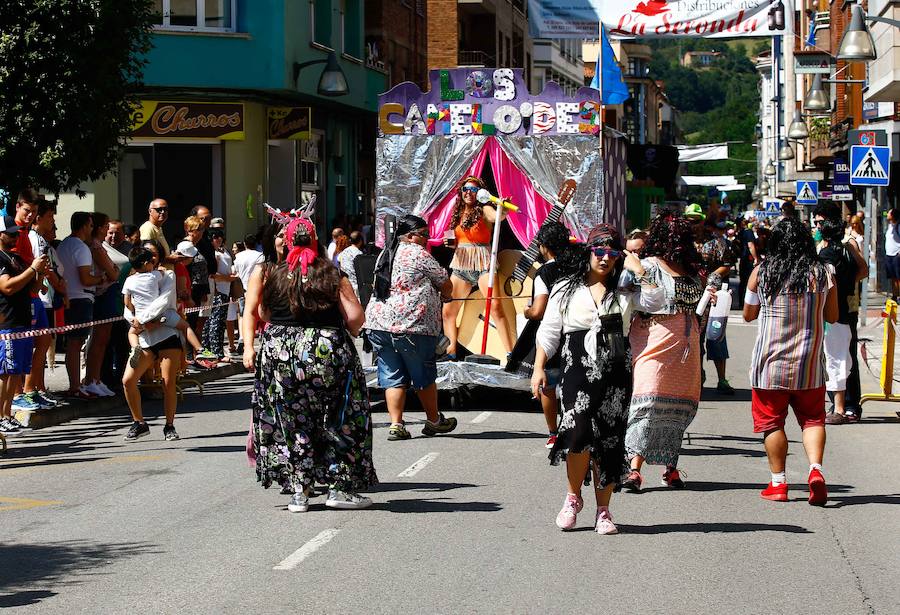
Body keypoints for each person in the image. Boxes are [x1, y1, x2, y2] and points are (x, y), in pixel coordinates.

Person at [533, 225, 663, 533]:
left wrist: (639, 269)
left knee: (608, 440)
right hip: (576, 365)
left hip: (615, 369)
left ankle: (603, 511)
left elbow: (657, 302)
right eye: (599, 252)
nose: (605, 259)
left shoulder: (626, 291)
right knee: (577, 435)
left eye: (612, 254)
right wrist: (539, 367)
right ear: (588, 252)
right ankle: (573, 497)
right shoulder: (566, 288)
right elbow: (549, 332)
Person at [242, 216, 377, 512]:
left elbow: (263, 313)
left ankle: (299, 492)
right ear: (315, 241)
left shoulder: (270, 273)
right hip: (326, 352)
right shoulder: (331, 272)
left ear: (287, 242)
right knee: (338, 418)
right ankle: (337, 487)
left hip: (281, 355)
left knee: (292, 421)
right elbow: (355, 319)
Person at [743, 216, 837, 506]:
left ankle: (779, 483)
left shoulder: (761, 273)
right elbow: (832, 316)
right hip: (809, 363)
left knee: (772, 424)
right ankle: (815, 471)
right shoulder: (825, 272)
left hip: (770, 364)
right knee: (812, 419)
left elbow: (748, 314)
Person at [620, 214, 704, 492]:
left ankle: (671, 467)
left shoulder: (690, 269)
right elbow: (630, 300)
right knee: (647, 401)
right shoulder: (645, 266)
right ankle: (634, 469)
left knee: (678, 408)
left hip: (686, 347)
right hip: (653, 343)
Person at [367, 215, 458, 440]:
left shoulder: (385, 253)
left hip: (379, 325)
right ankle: (434, 420)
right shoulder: (418, 254)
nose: (427, 239)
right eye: (424, 235)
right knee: (423, 374)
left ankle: (396, 424)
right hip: (412, 326)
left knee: (391, 375)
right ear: (409, 236)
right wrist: (446, 296)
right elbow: (446, 284)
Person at [441, 176, 515, 358]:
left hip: (483, 264)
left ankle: (511, 353)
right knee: (449, 311)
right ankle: (451, 353)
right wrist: (449, 243)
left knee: (496, 307)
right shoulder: (457, 213)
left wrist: (502, 209)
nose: (468, 192)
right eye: (465, 189)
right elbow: (456, 240)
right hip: (461, 265)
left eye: (473, 190)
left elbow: (496, 216)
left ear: (479, 193)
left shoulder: (484, 209)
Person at [121, 241, 186, 442]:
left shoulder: (167, 275)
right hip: (145, 337)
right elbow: (127, 306)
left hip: (166, 333)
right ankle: (139, 422)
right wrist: (134, 320)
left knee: (168, 382)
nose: (153, 258)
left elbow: (165, 301)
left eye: (155, 254)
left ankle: (169, 426)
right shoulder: (132, 280)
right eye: (149, 255)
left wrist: (145, 319)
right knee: (128, 380)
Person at [813, 204, 867, 425]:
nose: (816, 226)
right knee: (831, 357)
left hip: (844, 309)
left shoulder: (847, 244)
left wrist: (842, 287)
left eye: (819, 222)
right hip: (832, 310)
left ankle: (848, 405)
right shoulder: (821, 246)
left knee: (845, 357)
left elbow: (863, 270)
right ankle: (836, 403)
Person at [523, 222, 570, 448]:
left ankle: (553, 432)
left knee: (548, 384)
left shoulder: (544, 272)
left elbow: (538, 310)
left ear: (543, 247)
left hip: (552, 335)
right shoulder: (578, 266)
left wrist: (527, 310)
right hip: (578, 331)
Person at [0, 216, 48, 434]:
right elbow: (7, 287)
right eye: (9, 233)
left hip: (22, 322)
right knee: (6, 372)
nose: (14, 236)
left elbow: (34, 289)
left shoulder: (16, 258)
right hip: (7, 322)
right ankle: (1, 416)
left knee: (15, 372)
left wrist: (40, 274)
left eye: (15, 233)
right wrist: (32, 269)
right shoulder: (0, 259)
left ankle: (7, 414)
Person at [122, 247, 206, 367]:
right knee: (185, 326)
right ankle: (199, 349)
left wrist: (134, 314)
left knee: (132, 333)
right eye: (152, 261)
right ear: (146, 264)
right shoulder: (155, 275)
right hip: (162, 313)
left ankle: (135, 348)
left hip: (140, 316)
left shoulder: (129, 280)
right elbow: (165, 273)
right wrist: (162, 269)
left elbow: (127, 302)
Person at [56, 212, 106, 399]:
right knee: (76, 344)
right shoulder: (81, 247)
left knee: (73, 344)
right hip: (80, 298)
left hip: (69, 297)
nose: (92, 229)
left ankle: (75, 385)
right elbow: (86, 279)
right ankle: (75, 386)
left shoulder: (63, 245)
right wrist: (100, 278)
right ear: (84, 226)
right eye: (91, 225)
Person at [20, 200, 65, 409]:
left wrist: (44, 284)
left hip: (40, 296)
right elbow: (36, 266)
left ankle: (36, 388)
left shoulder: (39, 238)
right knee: (34, 343)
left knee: (44, 341)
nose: (53, 221)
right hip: (33, 298)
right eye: (49, 217)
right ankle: (28, 390)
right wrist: (42, 283)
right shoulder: (31, 237)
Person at [688, 206, 737, 395]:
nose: (693, 225)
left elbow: (727, 264)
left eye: (696, 221)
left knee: (716, 336)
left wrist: (712, 277)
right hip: (691, 296)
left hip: (713, 297)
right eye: (689, 221)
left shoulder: (716, 242)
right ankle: (697, 376)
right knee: (694, 339)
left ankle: (722, 379)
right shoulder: (682, 242)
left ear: (702, 221)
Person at [81, 212, 121, 397]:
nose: (107, 230)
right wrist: (111, 271)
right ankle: (90, 379)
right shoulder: (95, 247)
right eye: (105, 226)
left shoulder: (98, 246)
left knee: (103, 340)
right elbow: (114, 273)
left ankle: (96, 379)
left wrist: (113, 270)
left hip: (107, 293)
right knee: (98, 339)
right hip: (103, 294)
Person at [201, 229, 237, 361]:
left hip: (225, 290)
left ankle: (215, 351)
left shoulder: (223, 250)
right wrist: (229, 278)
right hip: (217, 291)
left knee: (219, 323)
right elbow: (213, 275)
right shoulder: (213, 253)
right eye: (216, 237)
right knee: (215, 323)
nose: (219, 239)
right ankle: (215, 352)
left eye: (220, 237)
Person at [139, 198, 178, 265]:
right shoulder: (148, 228)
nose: (163, 212)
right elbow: (148, 256)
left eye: (165, 209)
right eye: (159, 210)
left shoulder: (158, 227)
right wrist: (170, 259)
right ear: (150, 211)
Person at [737, 217, 759, 308]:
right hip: (748, 259)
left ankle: (741, 302)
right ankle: (748, 303)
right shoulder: (748, 232)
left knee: (742, 282)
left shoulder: (740, 232)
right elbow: (751, 246)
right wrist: (755, 258)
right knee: (750, 281)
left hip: (742, 259)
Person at [337, 231, 364, 297]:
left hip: (345, 284)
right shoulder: (359, 254)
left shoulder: (343, 252)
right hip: (355, 285)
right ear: (360, 241)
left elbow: (338, 261)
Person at [885, 208, 900, 301]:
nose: (887, 214)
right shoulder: (890, 226)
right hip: (889, 254)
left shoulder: (898, 226)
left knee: (898, 277)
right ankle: (895, 295)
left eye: (889, 213)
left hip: (896, 255)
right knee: (893, 277)